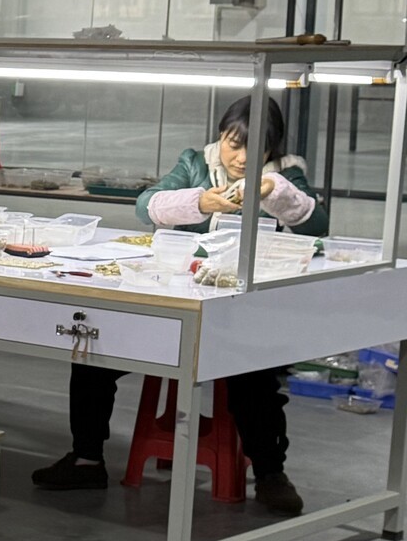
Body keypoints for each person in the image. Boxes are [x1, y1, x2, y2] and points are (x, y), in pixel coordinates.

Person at [33, 95, 325, 515]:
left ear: (271, 149)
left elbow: (318, 224)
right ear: (220, 136)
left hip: (240, 314)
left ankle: (270, 473)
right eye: (233, 144)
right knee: (94, 352)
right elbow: (146, 205)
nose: (242, 158)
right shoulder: (195, 164)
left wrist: (275, 191)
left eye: (256, 149)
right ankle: (86, 459)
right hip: (176, 303)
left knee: (255, 378)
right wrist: (201, 202)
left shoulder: (285, 174)